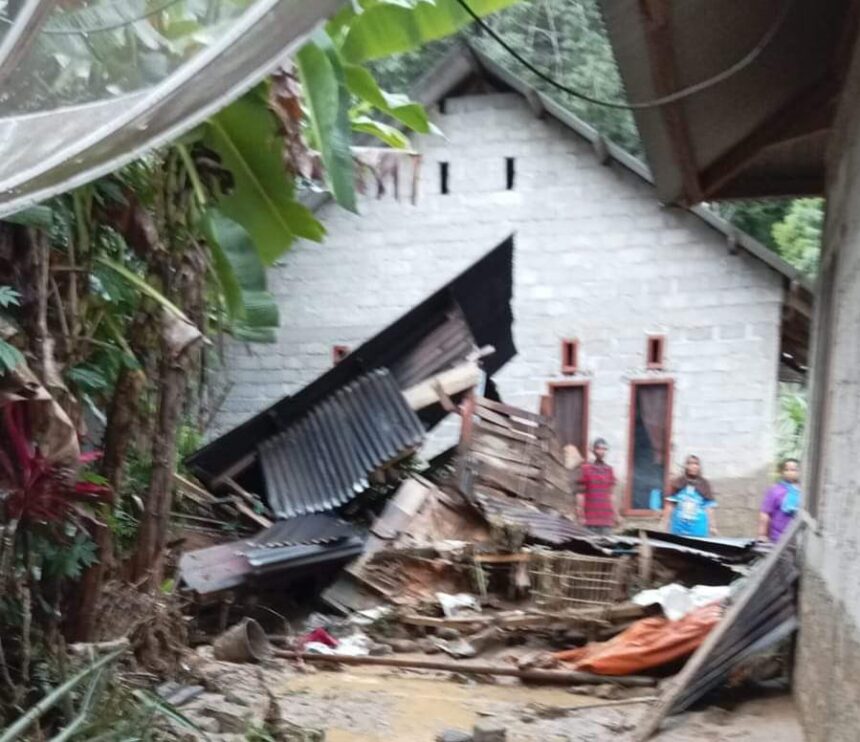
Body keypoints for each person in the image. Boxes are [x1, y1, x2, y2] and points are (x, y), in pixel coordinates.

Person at [661, 455, 717, 537]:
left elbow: (709, 507)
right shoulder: (678, 483)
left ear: (699, 467)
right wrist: (664, 523)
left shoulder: (704, 484)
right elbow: (670, 505)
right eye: (690, 463)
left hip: (698, 528)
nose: (693, 466)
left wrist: (712, 526)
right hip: (679, 527)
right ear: (686, 466)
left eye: (696, 464)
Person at [577, 438, 618, 535]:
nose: (601, 451)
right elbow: (580, 494)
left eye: (604, 449)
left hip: (606, 519)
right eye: (599, 448)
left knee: (607, 547)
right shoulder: (586, 469)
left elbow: (611, 495)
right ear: (593, 450)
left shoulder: (609, 470)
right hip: (590, 519)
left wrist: (616, 514)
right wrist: (580, 514)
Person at [759, 459, 801, 543]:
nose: (789, 472)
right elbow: (765, 513)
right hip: (778, 538)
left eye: (793, 470)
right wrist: (762, 535)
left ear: (800, 472)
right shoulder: (775, 491)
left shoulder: (805, 491)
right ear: (782, 472)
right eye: (786, 470)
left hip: (799, 539)